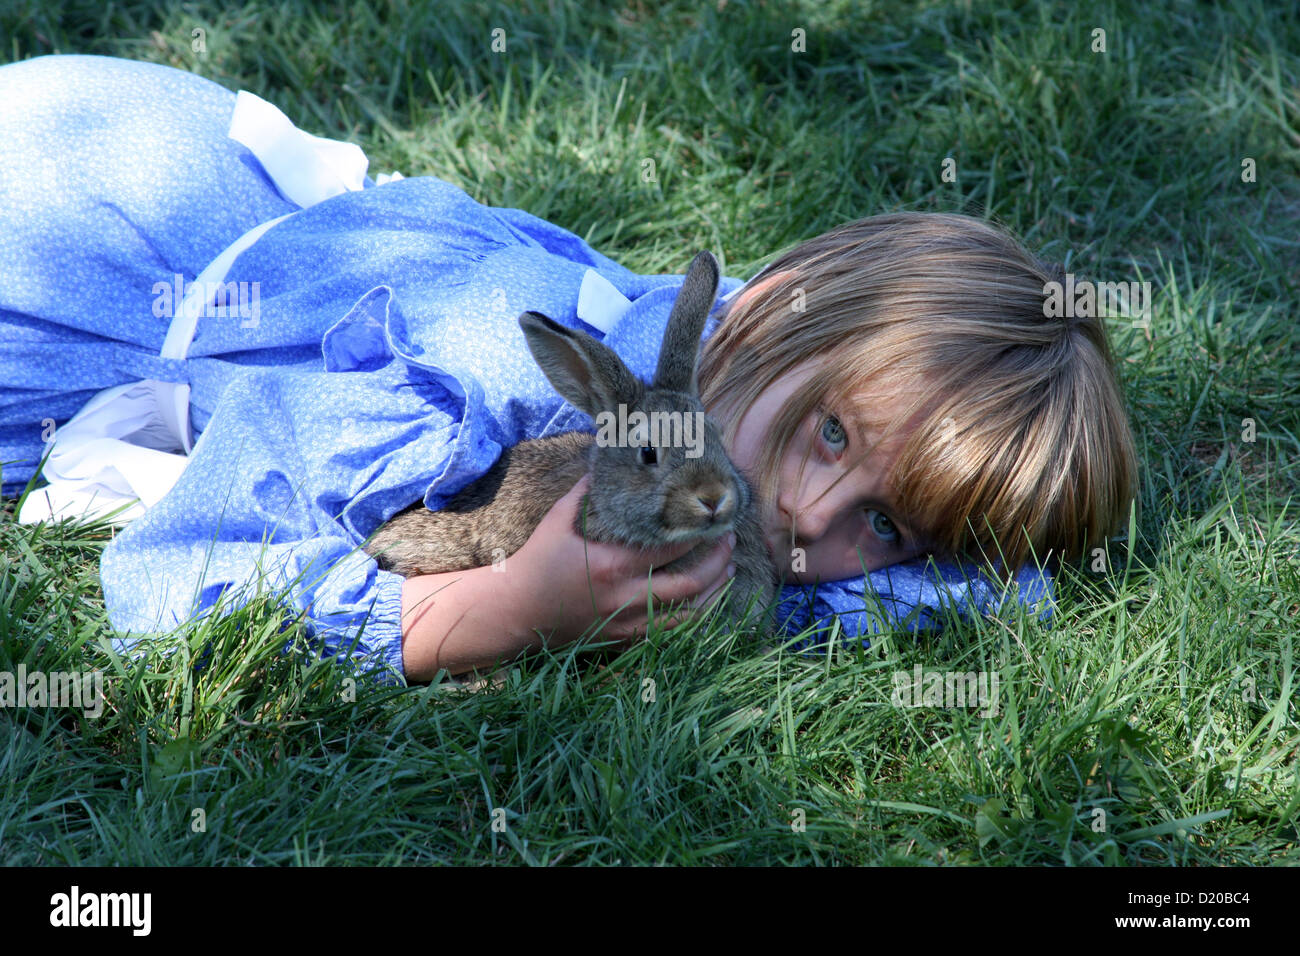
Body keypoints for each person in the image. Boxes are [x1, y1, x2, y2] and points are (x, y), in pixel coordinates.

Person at [0, 55, 1135, 682]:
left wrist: (951, 539)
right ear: (771, 308)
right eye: (830, 434)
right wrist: (497, 609)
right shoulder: (486, 374)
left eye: (884, 526)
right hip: (58, 247)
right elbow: (160, 584)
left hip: (184, 160)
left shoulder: (727, 371)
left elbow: (989, 573)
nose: (807, 521)